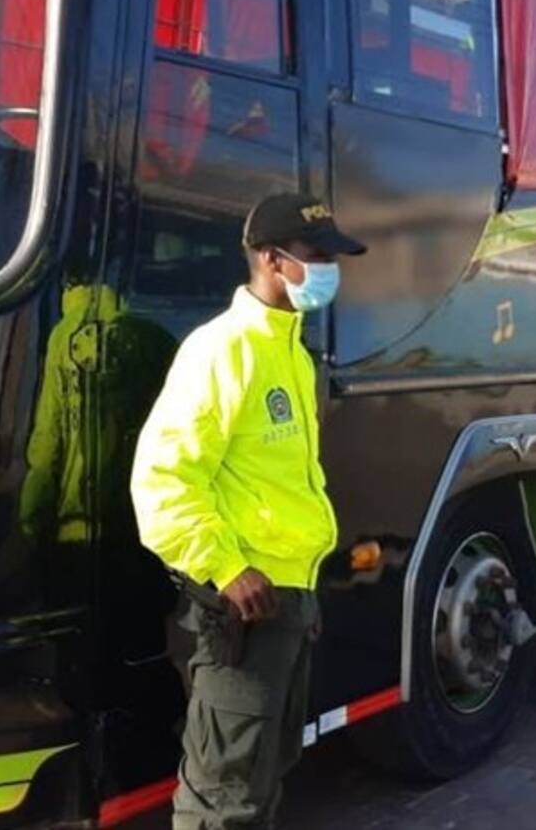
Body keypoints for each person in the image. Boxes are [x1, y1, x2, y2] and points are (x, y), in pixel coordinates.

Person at [130, 193, 366, 829]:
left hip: (289, 598)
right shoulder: (222, 350)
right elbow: (161, 480)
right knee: (223, 797)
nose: (328, 271)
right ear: (271, 259)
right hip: (242, 610)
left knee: (263, 774)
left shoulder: (291, 350)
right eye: (317, 257)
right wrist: (227, 568)